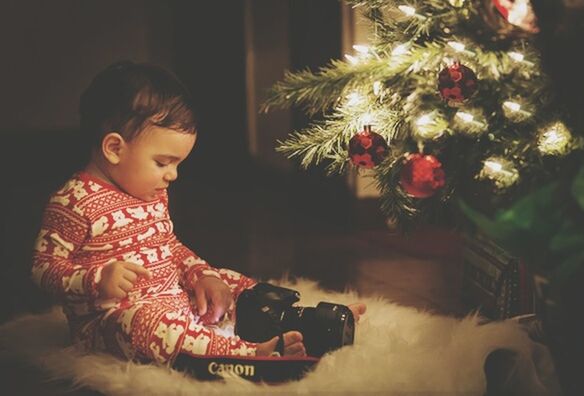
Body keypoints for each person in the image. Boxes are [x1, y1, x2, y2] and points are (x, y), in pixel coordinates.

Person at [31, 60, 366, 366]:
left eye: (177, 163)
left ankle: (307, 321)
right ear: (115, 148)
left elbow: (170, 246)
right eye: (163, 162)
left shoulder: (152, 191)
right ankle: (249, 355)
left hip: (173, 298)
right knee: (148, 324)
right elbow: (44, 269)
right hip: (112, 322)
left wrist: (201, 275)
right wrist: (95, 280)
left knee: (226, 281)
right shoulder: (72, 202)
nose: (172, 175)